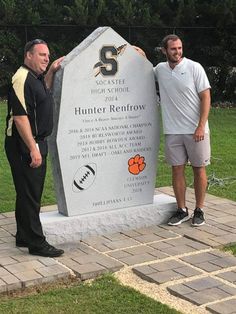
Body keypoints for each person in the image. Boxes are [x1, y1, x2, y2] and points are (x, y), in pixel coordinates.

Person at [135, 34, 211, 227]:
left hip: (196, 131)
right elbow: (144, 68)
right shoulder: (160, 69)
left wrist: (201, 125)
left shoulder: (194, 68)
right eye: (173, 49)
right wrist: (140, 54)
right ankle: (182, 210)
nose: (177, 52)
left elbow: (206, 97)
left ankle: (199, 210)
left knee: (198, 169)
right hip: (172, 131)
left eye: (179, 48)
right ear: (164, 51)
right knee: (177, 169)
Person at [5, 39, 65, 257]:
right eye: (41, 55)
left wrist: (50, 71)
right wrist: (33, 148)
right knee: (31, 195)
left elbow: (43, 93)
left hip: (36, 141)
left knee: (26, 192)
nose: (46, 58)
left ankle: (24, 235)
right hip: (24, 143)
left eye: (48, 55)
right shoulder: (21, 78)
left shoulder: (36, 78)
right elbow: (20, 118)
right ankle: (37, 243)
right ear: (28, 56)